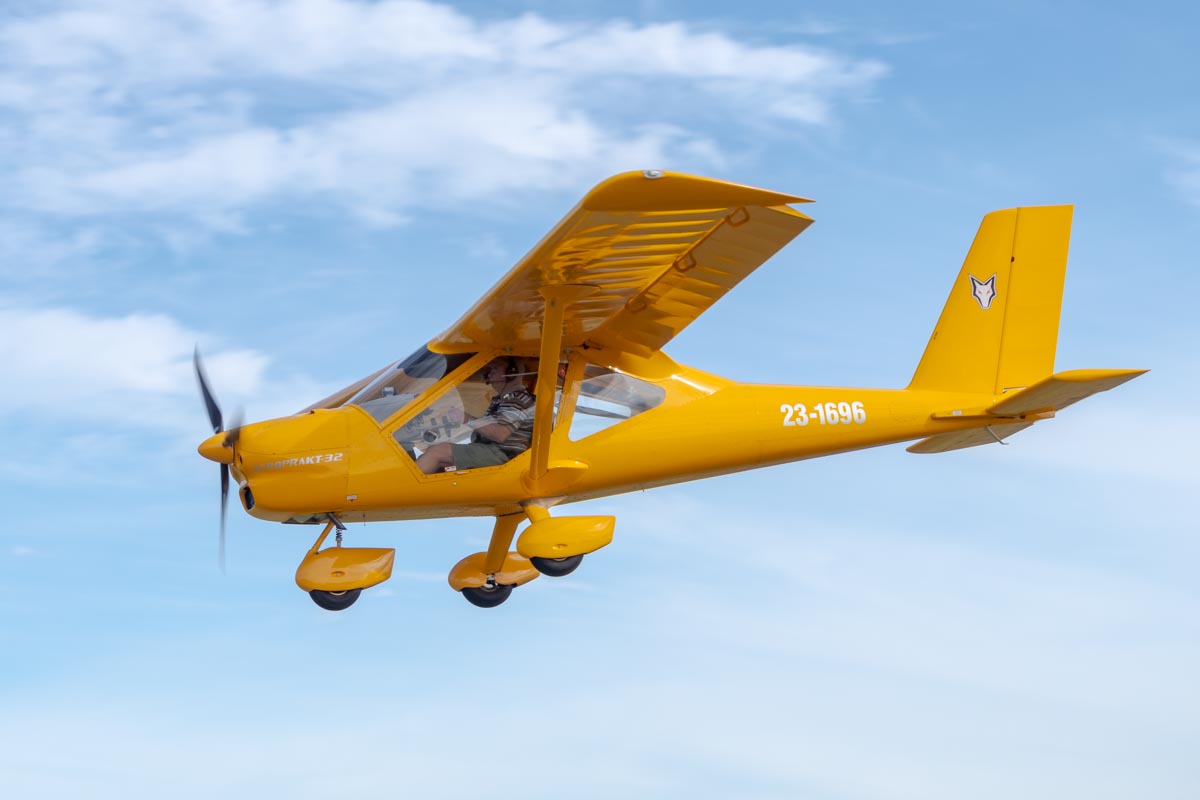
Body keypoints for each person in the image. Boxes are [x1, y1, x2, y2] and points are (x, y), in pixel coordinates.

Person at [415, 357, 536, 474]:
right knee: (434, 461)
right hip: (491, 451)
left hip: (503, 454)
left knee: (437, 452)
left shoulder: (518, 399)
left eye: (495, 368)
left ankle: (398, 491)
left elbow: (501, 434)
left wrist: (466, 418)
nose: (489, 374)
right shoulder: (502, 400)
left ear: (512, 371)